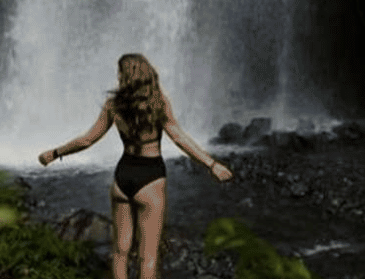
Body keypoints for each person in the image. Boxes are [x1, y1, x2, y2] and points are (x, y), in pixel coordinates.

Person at [37, 54, 232, 279]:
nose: (117, 77)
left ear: (125, 76)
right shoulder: (158, 102)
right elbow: (179, 138)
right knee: (147, 257)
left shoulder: (113, 105)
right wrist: (211, 164)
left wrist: (54, 153)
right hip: (151, 178)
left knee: (120, 252)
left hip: (123, 177)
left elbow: (87, 140)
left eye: (120, 72)